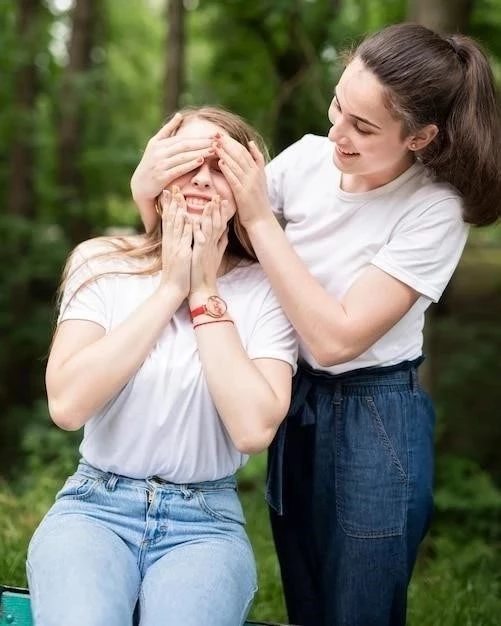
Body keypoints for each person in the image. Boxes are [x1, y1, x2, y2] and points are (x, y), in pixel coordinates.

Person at [130, 23, 501, 626]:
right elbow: (208, 247)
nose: (337, 132)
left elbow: (336, 339)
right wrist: (145, 191)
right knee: (306, 596)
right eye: (337, 105)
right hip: (293, 400)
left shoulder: (434, 210)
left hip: (374, 412)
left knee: (359, 604)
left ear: (421, 136)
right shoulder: (306, 160)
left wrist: (263, 218)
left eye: (363, 127)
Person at [26, 106, 297, 626]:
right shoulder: (102, 261)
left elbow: (253, 427)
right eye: (186, 159)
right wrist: (170, 284)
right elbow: (67, 403)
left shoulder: (268, 288)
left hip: (206, 523)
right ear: (155, 171)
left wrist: (201, 290)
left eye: (220, 165)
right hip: (94, 507)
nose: (200, 176)